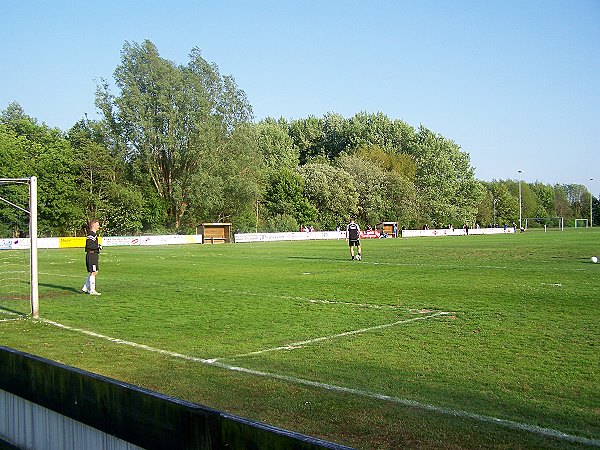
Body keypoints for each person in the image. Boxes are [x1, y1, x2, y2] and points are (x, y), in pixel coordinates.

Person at [82, 219, 102, 296]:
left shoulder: (93, 234)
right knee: (93, 272)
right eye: (97, 225)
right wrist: (98, 246)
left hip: (93, 255)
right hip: (91, 255)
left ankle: (85, 288)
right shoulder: (91, 235)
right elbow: (89, 245)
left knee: (95, 272)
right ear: (93, 225)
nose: (98, 226)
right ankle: (92, 290)